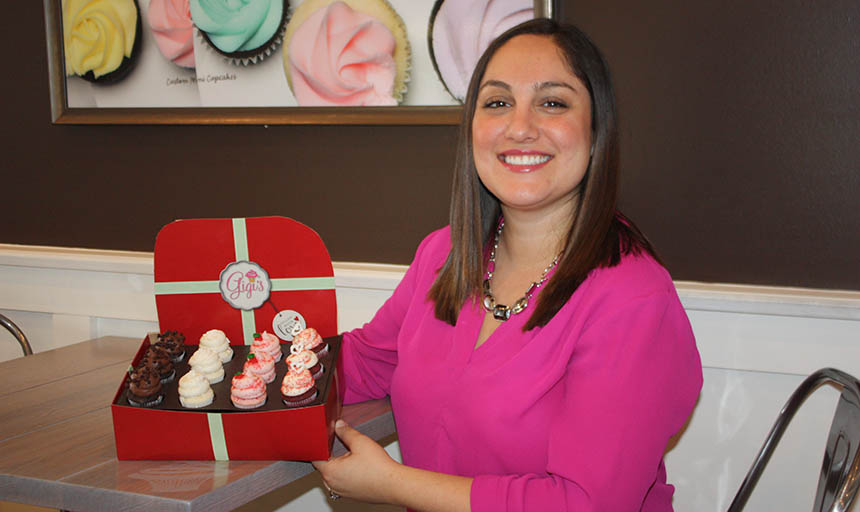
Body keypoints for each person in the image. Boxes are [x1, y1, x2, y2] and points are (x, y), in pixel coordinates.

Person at [313, 18, 702, 512]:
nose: (520, 127)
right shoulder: (444, 255)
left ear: (597, 126)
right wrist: (232, 362)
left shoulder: (633, 298)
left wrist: (391, 483)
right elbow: (363, 364)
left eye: (552, 102)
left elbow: (585, 504)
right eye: (497, 103)